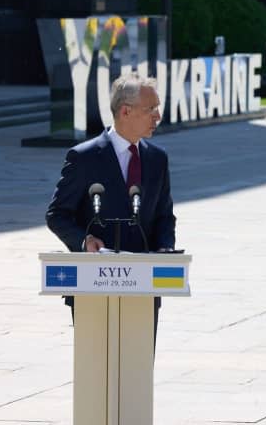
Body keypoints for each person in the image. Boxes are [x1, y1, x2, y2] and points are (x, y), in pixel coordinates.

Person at [46, 73, 176, 336]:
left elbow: (164, 216)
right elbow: (57, 214)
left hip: (143, 286)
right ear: (126, 111)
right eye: (151, 109)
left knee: (137, 372)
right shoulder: (84, 157)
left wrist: (165, 248)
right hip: (93, 284)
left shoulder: (157, 159)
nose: (158, 116)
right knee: (96, 371)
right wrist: (85, 240)